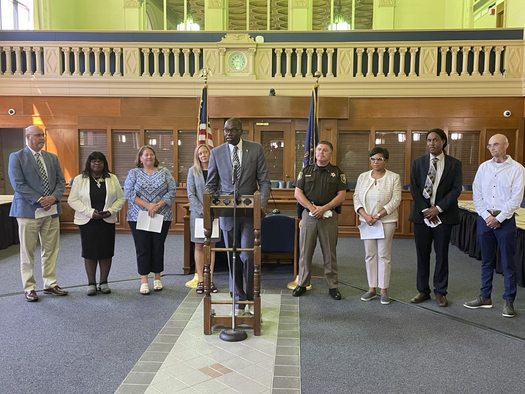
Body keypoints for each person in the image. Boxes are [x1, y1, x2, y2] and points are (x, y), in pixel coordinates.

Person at [206, 118, 270, 315]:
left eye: (232, 130)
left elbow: (264, 181)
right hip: (227, 213)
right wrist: (215, 198)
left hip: (250, 214)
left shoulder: (255, 149)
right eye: (226, 130)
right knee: (232, 255)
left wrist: (262, 204)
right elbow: (211, 184)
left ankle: (251, 297)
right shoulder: (216, 153)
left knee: (248, 255)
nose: (228, 133)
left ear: (241, 131)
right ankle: (238, 298)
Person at [464, 134, 525, 318]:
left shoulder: (518, 169)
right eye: (490, 145)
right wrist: (485, 215)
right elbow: (477, 194)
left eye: (496, 144)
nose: (492, 148)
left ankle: (508, 301)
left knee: (508, 263)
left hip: (505, 221)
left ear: (506, 145)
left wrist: (499, 218)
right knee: (486, 261)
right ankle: (485, 297)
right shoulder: (484, 167)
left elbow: (517, 198)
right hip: (485, 219)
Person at [8, 125, 67, 302]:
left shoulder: (52, 158)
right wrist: (41, 199)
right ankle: (29, 287)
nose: (41, 138)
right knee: (28, 251)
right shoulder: (17, 157)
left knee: (51, 249)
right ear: (27, 136)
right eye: (37, 135)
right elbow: (18, 184)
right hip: (28, 211)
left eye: (43, 135)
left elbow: (60, 182)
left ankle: (50, 284)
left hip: (51, 211)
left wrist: (53, 198)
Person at [409, 128, 462, 307]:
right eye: (429, 140)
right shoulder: (417, 163)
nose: (431, 143)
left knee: (442, 255)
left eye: (435, 140)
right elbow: (414, 189)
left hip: (443, 217)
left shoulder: (455, 164)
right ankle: (422, 290)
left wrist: (437, 209)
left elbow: (456, 189)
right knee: (422, 255)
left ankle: (440, 292)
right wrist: (426, 210)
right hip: (422, 217)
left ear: (443, 142)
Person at [292, 141, 347, 300]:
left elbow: (341, 195)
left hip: (328, 216)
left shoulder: (337, 173)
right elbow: (298, 193)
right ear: (315, 152)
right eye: (319, 149)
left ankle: (332, 285)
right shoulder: (306, 170)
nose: (321, 153)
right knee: (305, 251)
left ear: (331, 154)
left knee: (330, 252)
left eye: (325, 150)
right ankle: (302, 283)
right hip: (309, 216)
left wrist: (323, 208)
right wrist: (311, 208)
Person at [68, 152, 125, 296]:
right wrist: (90, 212)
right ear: (89, 163)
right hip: (88, 221)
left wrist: (111, 211)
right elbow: (72, 200)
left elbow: (121, 199)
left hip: (107, 220)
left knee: (106, 252)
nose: (97, 164)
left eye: (100, 161)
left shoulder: (112, 178)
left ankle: (104, 282)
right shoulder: (80, 179)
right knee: (90, 252)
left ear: (104, 163)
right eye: (93, 161)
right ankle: (91, 283)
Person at [124, 145, 177, 295]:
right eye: (146, 155)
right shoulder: (134, 173)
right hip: (138, 216)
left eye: (151, 154)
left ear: (155, 157)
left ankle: (157, 278)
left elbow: (172, 190)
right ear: (140, 158)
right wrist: (148, 206)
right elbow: (128, 192)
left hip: (162, 216)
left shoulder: (164, 172)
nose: (149, 157)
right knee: (143, 248)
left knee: (158, 247)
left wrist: (157, 205)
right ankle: (144, 280)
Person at [353, 147, 401, 305]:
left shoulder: (394, 177)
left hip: (385, 221)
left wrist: (378, 215)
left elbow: (396, 200)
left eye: (379, 159)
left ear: (386, 161)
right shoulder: (363, 177)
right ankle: (372, 288)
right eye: (373, 159)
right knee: (370, 255)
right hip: (367, 222)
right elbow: (356, 197)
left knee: (384, 255)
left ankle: (384, 290)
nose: (376, 162)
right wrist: (366, 216)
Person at [187, 144, 220, 294]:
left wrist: (212, 208)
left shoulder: (217, 170)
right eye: (200, 153)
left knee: (211, 246)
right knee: (199, 246)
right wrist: (202, 209)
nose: (203, 155)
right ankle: (200, 280)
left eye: (205, 152)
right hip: (198, 214)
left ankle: (210, 280)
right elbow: (191, 194)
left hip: (214, 213)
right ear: (197, 156)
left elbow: (221, 190)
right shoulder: (192, 171)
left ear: (210, 154)